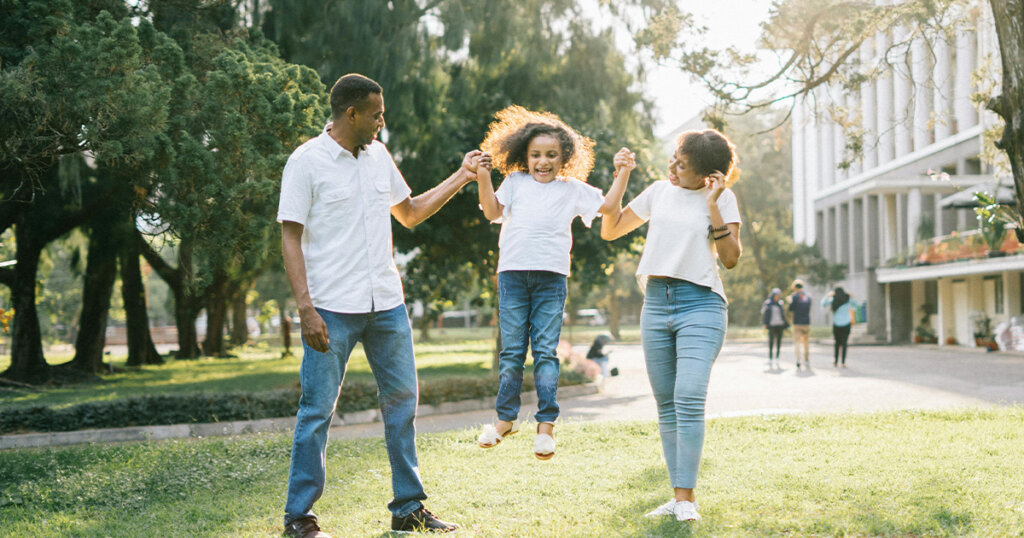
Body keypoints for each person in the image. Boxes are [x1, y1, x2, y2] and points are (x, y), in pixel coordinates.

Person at [277, 73, 483, 537]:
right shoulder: (306, 162)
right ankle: (299, 518)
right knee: (317, 411)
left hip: (387, 305)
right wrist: (305, 308)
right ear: (351, 113)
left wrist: (462, 176)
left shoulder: (378, 156)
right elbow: (290, 236)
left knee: (402, 405)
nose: (382, 121)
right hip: (330, 307)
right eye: (376, 113)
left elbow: (408, 212)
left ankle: (408, 508)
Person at [600, 129, 742, 522]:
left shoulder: (723, 197)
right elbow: (609, 230)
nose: (673, 168)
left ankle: (686, 500)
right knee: (667, 405)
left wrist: (713, 204)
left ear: (709, 176)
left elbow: (730, 258)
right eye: (674, 159)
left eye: (683, 165)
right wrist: (622, 176)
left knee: (689, 395)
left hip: (702, 304)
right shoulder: (660, 191)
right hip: (656, 303)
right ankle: (679, 498)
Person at [473, 105, 616, 461]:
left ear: (565, 157)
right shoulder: (516, 182)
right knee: (511, 352)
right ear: (525, 155)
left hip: (551, 279)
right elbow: (492, 211)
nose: (543, 161)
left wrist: (623, 172)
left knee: (546, 353)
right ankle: (506, 419)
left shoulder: (571, 189)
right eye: (536, 155)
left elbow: (610, 207)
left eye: (552, 155)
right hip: (512, 276)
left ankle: (546, 427)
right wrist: (482, 176)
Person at [822, 287, 858, 367]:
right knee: (844, 343)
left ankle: (835, 360)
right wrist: (851, 295)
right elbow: (856, 304)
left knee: (837, 343)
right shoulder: (848, 299)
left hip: (836, 324)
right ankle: (843, 362)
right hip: (846, 324)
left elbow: (823, 304)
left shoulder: (833, 299)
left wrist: (828, 295)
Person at [788, 279, 813, 369]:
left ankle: (798, 359)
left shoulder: (794, 297)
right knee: (806, 342)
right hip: (806, 322)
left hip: (797, 322)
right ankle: (806, 359)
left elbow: (791, 309)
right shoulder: (808, 296)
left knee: (797, 342)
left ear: (795, 288)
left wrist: (790, 300)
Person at [761, 288, 788, 366]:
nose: (777, 297)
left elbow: (783, 315)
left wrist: (785, 324)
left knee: (779, 342)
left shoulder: (780, 303)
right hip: (771, 325)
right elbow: (764, 314)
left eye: (778, 295)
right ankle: (770, 359)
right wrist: (765, 324)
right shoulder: (768, 303)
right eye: (776, 295)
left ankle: (777, 358)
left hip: (780, 325)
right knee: (771, 342)